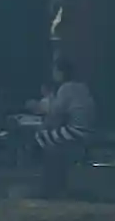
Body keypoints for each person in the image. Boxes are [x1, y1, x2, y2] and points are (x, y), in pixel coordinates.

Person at [31, 57, 97, 193]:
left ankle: (48, 182)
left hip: (75, 132)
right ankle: (53, 180)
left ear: (61, 72)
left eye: (55, 71)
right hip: (87, 131)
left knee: (40, 136)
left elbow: (56, 112)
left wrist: (38, 108)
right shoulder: (82, 86)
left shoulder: (67, 88)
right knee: (48, 137)